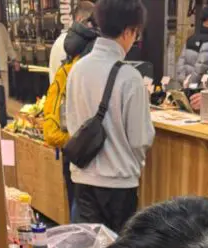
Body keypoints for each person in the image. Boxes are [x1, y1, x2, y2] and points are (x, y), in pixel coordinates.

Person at [65, 0, 155, 234]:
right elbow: (140, 139)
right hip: (119, 186)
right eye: (136, 33)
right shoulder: (130, 77)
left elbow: (71, 122)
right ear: (127, 31)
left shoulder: (77, 69)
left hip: (83, 181)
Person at [42, 2, 99, 216]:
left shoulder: (62, 44)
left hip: (66, 131)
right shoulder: (90, 52)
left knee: (74, 191)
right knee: (85, 200)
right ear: (84, 20)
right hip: (84, 136)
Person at [49, 1, 96, 82]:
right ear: (80, 19)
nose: (94, 27)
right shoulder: (75, 43)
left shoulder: (59, 41)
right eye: (92, 22)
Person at [175, 5, 208, 88]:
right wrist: (191, 84)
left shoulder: (190, 39)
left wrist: (184, 81)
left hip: (187, 86)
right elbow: (202, 66)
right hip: (201, 89)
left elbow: (180, 62)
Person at [0, 0, 20, 105]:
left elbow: (8, 46)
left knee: (5, 91)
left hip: (3, 65)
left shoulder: (2, 27)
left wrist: (15, 60)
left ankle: (5, 112)